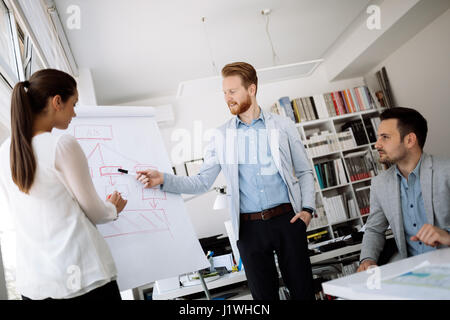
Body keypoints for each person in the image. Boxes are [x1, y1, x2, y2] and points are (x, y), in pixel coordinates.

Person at [136, 62, 315, 300]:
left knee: (304, 293)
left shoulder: (283, 126)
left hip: (288, 220)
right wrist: (163, 179)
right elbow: (201, 182)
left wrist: (308, 210)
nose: (227, 98)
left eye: (232, 91)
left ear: (251, 89)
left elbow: (304, 171)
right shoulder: (221, 137)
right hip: (250, 230)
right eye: (224, 92)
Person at [0, 69, 127, 300]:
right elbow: (96, 212)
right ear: (57, 101)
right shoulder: (60, 144)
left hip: (35, 284)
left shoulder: (4, 152)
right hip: (83, 278)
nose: (74, 114)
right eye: (74, 104)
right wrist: (113, 208)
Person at [357, 107, 450, 272]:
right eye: (378, 137)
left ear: (409, 140)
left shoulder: (446, 171)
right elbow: (374, 229)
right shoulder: (380, 184)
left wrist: (447, 236)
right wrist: (368, 259)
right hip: (413, 274)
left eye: (385, 137)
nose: (377, 144)